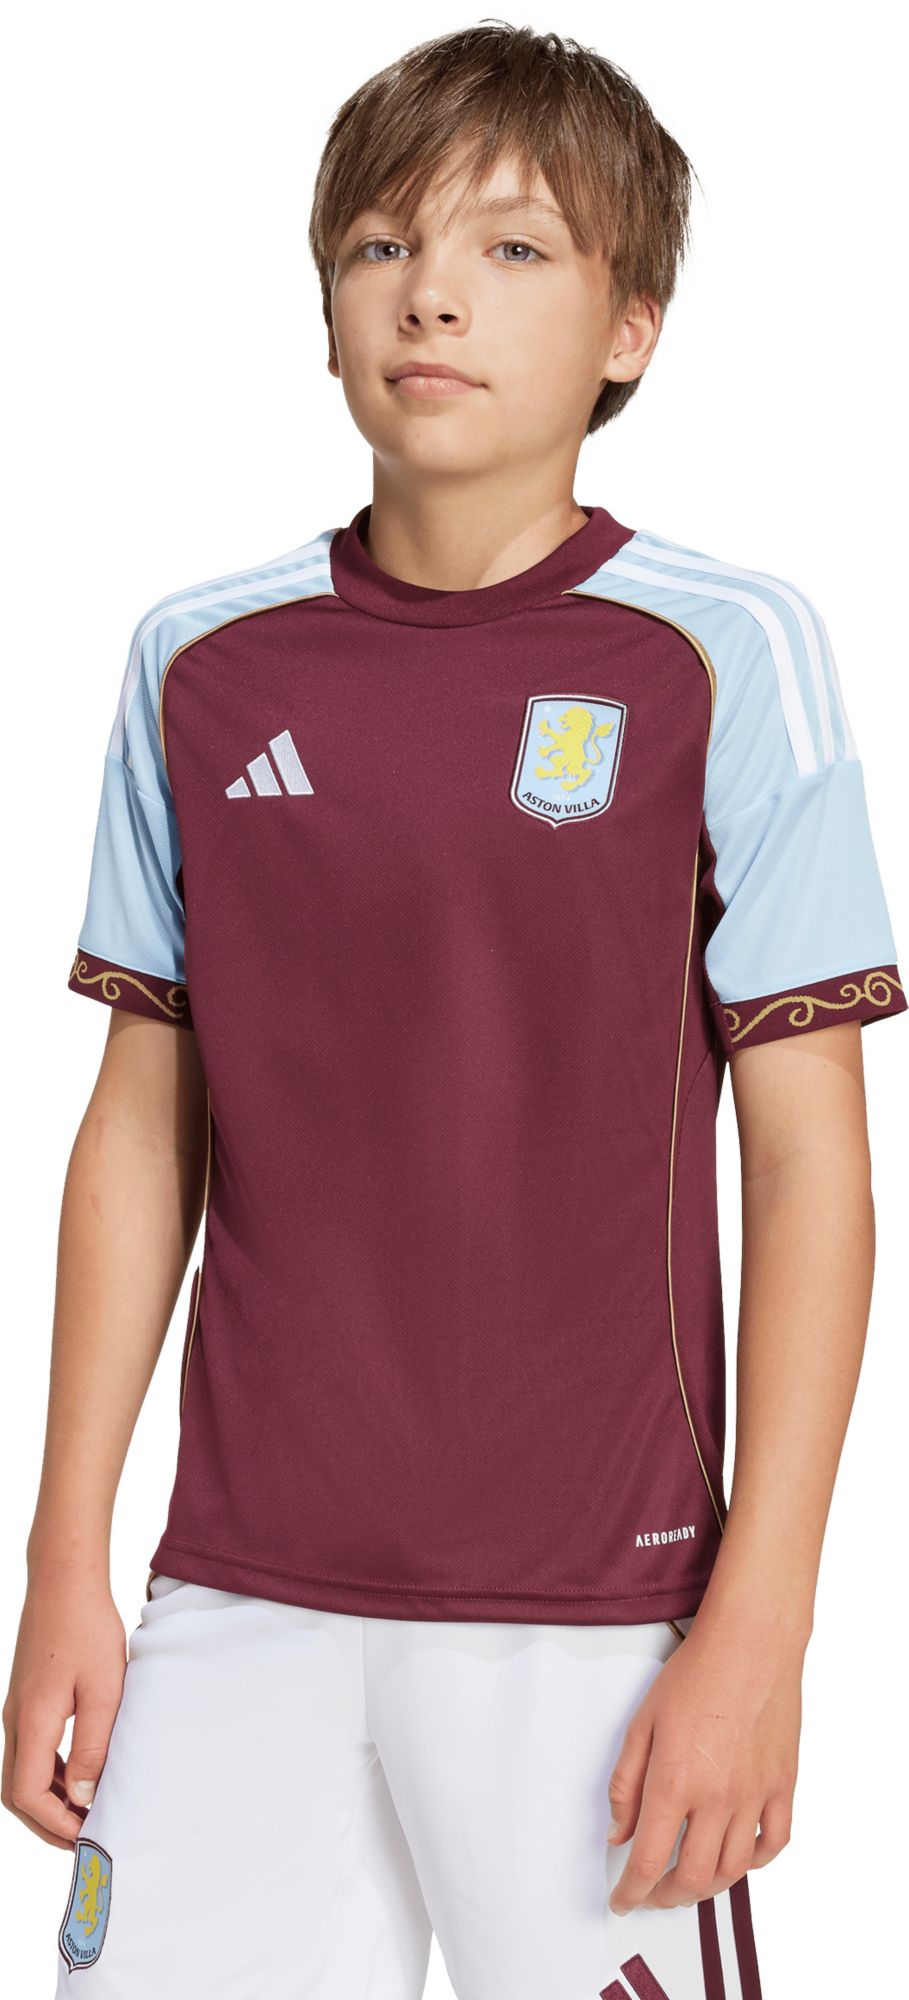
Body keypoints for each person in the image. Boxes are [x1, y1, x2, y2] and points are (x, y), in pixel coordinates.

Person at [4, 22, 905, 2000]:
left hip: (594, 1622)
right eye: (380, 244)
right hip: (235, 1598)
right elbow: (140, 1129)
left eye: (512, 249)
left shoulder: (724, 652)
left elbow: (809, 1172)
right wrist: (67, 1557)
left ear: (629, 328)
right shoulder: (198, 664)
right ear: (326, 304)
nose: (430, 293)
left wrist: (759, 1624)